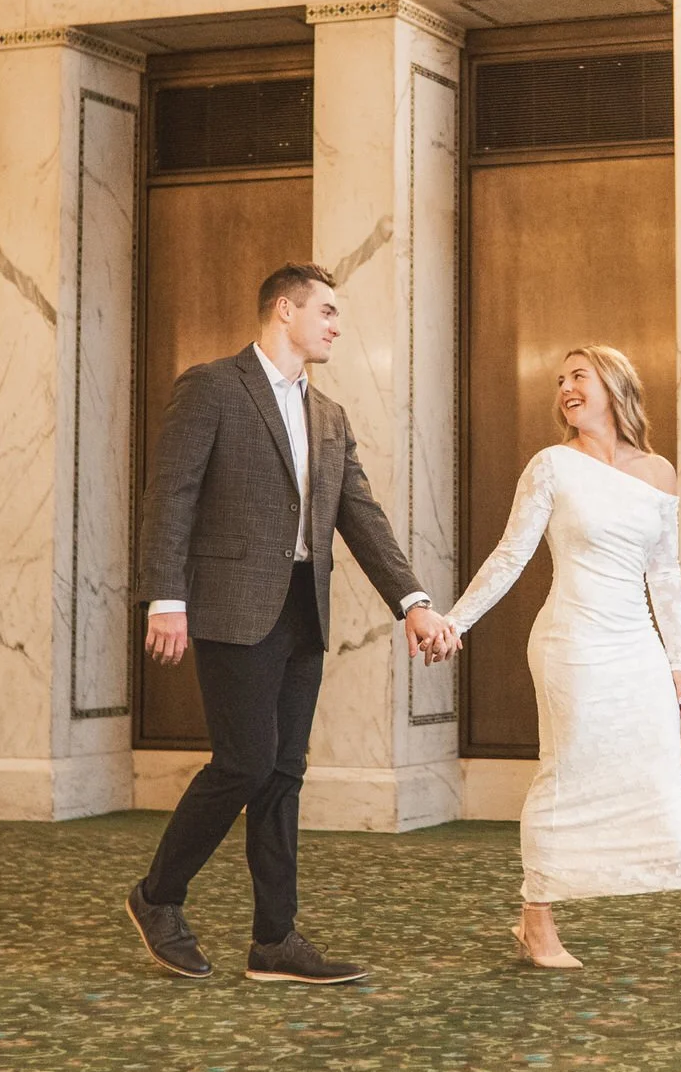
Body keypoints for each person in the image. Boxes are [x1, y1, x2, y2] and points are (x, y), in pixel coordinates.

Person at [125, 262, 459, 983]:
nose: (338, 324)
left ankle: (274, 940)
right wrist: (165, 596)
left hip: (303, 611)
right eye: (328, 311)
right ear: (284, 309)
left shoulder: (330, 415)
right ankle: (157, 897)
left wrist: (413, 600)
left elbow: (361, 516)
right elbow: (171, 496)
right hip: (230, 607)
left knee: (282, 772)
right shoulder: (212, 386)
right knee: (243, 761)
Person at [438, 345, 681, 969]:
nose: (566, 387)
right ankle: (536, 922)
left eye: (579, 376)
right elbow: (511, 555)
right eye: (561, 380)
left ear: (615, 386)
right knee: (564, 773)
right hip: (570, 642)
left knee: (659, 772)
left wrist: (678, 657)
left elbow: (665, 574)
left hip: (637, 648)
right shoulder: (552, 467)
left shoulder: (658, 473)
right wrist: (456, 621)